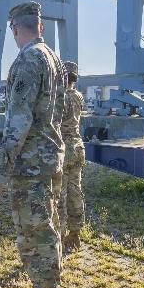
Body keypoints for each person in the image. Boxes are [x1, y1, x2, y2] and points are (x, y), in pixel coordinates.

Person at [0, 1, 66, 288]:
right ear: (40, 26)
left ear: (15, 29)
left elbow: (18, 122)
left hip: (30, 164)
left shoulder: (28, 59)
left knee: (34, 232)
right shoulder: (54, 58)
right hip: (50, 158)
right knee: (48, 227)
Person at [59, 61, 85, 251]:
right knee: (75, 190)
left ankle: (59, 236)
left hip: (62, 148)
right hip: (77, 146)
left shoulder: (59, 97)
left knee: (60, 194)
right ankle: (75, 234)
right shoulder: (78, 96)